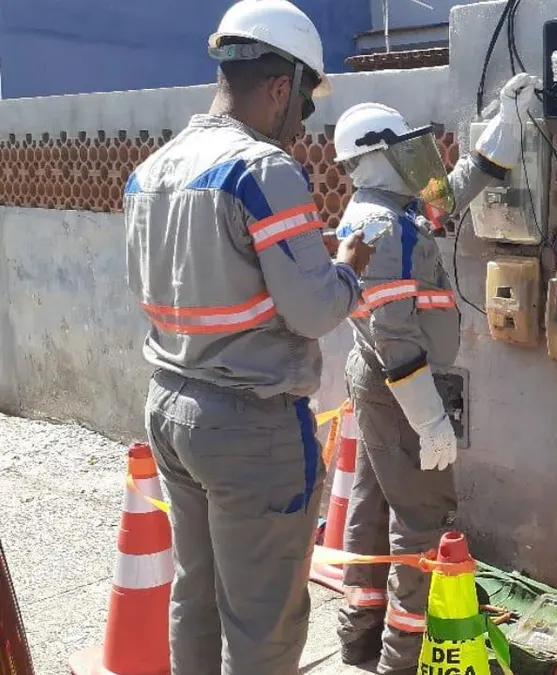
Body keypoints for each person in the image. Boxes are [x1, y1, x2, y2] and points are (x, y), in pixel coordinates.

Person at [122, 1, 373, 673]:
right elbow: (314, 309)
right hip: (249, 428)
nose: (301, 125)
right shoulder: (262, 170)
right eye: (305, 106)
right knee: (264, 617)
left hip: (172, 407)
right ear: (280, 86)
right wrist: (348, 271)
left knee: (197, 595)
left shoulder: (151, 173)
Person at [329, 73, 540, 672]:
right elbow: (395, 338)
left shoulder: (392, 211)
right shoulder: (379, 225)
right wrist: (429, 422)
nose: (417, 159)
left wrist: (505, 119)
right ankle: (408, 653)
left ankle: (360, 634)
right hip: (397, 384)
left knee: (372, 508)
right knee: (421, 518)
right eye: (403, 149)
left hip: (380, 381)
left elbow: (456, 188)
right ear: (376, 157)